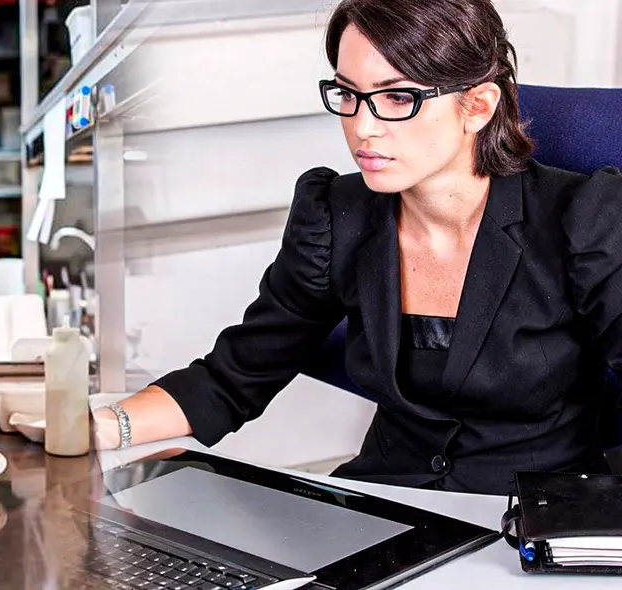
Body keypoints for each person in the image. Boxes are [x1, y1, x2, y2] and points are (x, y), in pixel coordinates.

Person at [94, 0, 622, 497]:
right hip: (387, 504)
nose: (361, 127)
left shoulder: (585, 220)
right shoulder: (337, 214)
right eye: (348, 94)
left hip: (541, 519)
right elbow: (234, 377)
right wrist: (96, 427)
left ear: (478, 106)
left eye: (398, 98)